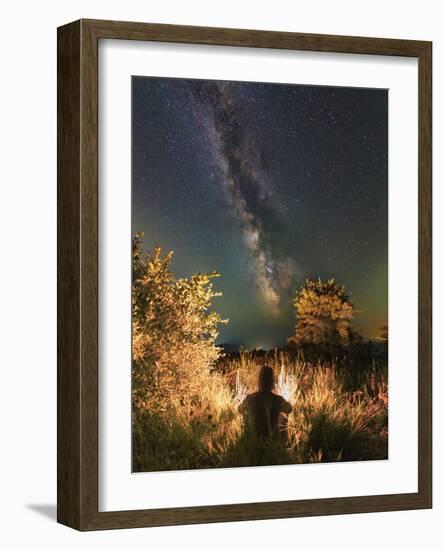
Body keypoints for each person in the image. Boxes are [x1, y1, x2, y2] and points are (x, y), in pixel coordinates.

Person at [238, 365, 292, 441]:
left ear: (260, 381)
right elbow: (289, 409)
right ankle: (284, 442)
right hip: (273, 440)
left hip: (254, 440)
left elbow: (240, 409)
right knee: (284, 420)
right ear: (272, 381)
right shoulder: (278, 400)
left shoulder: (250, 398)